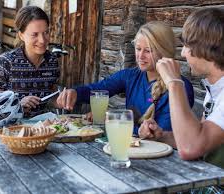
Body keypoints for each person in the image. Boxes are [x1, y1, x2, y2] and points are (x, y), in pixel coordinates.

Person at [56, 21, 194, 145]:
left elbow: (161, 134)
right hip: (130, 148)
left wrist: (114, 119)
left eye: (148, 50)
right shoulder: (130, 76)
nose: (140, 56)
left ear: (164, 51)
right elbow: (99, 89)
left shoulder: (179, 87)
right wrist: (75, 93)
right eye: (138, 49)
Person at [144, 7, 224, 193]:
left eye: (187, 46)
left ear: (205, 47)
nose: (182, 54)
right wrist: (162, 136)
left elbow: (190, 148)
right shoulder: (216, 90)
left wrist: (173, 82)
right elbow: (201, 139)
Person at [0, 6, 60, 117]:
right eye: (35, 34)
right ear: (21, 35)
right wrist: (17, 104)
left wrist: (62, 100)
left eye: (46, 32)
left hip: (42, 129)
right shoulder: (7, 61)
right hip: (10, 130)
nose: (42, 40)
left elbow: (50, 99)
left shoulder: (52, 61)